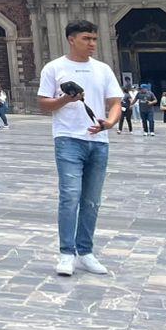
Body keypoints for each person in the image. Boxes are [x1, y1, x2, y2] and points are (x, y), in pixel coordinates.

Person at [38, 20, 123, 276]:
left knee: (92, 201)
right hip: (68, 140)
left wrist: (110, 122)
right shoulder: (54, 68)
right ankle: (66, 253)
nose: (92, 44)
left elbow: (116, 102)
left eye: (95, 39)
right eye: (87, 38)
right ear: (71, 39)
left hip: (98, 142)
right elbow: (43, 104)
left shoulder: (103, 69)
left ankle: (85, 251)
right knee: (70, 197)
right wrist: (66, 99)